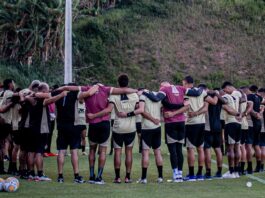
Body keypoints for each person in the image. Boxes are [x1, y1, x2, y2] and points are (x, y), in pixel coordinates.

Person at [81, 79, 138, 185]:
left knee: (109, 151)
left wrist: (93, 115)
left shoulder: (113, 96)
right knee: (128, 152)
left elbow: (108, 109)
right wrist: (129, 113)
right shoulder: (134, 95)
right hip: (130, 128)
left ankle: (113, 177)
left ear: (118, 84)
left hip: (117, 127)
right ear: (128, 83)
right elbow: (139, 108)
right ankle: (126, 177)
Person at [182, 77, 218, 181]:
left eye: (183, 83)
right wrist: (215, 93)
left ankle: (192, 174)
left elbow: (185, 106)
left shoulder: (185, 92)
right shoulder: (202, 92)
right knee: (200, 148)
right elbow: (213, 102)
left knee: (191, 149)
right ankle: (200, 174)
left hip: (190, 123)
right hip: (201, 123)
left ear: (186, 83)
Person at [136, 89, 164, 184]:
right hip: (157, 127)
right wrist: (158, 119)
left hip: (147, 127)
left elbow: (142, 112)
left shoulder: (143, 97)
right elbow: (163, 108)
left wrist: (152, 119)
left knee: (145, 153)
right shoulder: (158, 97)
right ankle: (160, 177)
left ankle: (144, 178)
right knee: (158, 152)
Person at [201, 86, 227, 179]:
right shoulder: (218, 98)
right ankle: (219, 172)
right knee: (218, 149)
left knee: (207, 149)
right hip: (218, 126)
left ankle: (208, 172)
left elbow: (205, 109)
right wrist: (217, 93)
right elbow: (225, 102)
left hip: (208, 126)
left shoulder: (205, 97)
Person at [221, 82, 243, 178]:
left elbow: (229, 110)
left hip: (230, 123)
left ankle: (231, 171)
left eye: (224, 90)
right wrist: (240, 115)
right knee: (237, 147)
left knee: (230, 148)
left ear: (227, 88)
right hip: (238, 124)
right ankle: (237, 172)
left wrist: (237, 114)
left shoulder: (225, 97)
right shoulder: (236, 97)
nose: (224, 91)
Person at [0, 79, 15, 174]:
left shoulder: (2, 93)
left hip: (3, 121)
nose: (14, 84)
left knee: (3, 144)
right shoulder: (9, 93)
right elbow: (2, 109)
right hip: (6, 122)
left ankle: (3, 168)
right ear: (10, 84)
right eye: (13, 83)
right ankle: (11, 168)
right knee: (10, 145)